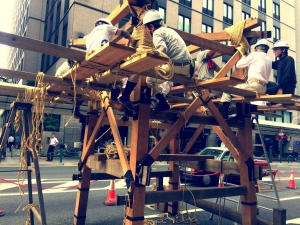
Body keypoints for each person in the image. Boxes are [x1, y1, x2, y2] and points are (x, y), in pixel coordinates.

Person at [118, 9, 194, 111]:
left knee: (145, 74)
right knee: (154, 73)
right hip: (188, 69)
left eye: (146, 28)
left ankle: (126, 96)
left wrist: (148, 61)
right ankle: (162, 103)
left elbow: (162, 49)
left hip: (175, 68)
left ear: (151, 26)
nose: (146, 31)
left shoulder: (157, 32)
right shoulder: (170, 31)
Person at [220, 39, 272, 119]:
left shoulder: (254, 55)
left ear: (256, 48)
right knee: (240, 93)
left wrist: (243, 55)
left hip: (254, 85)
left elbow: (239, 65)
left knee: (228, 91)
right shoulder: (269, 59)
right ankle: (239, 116)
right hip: (263, 88)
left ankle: (224, 116)